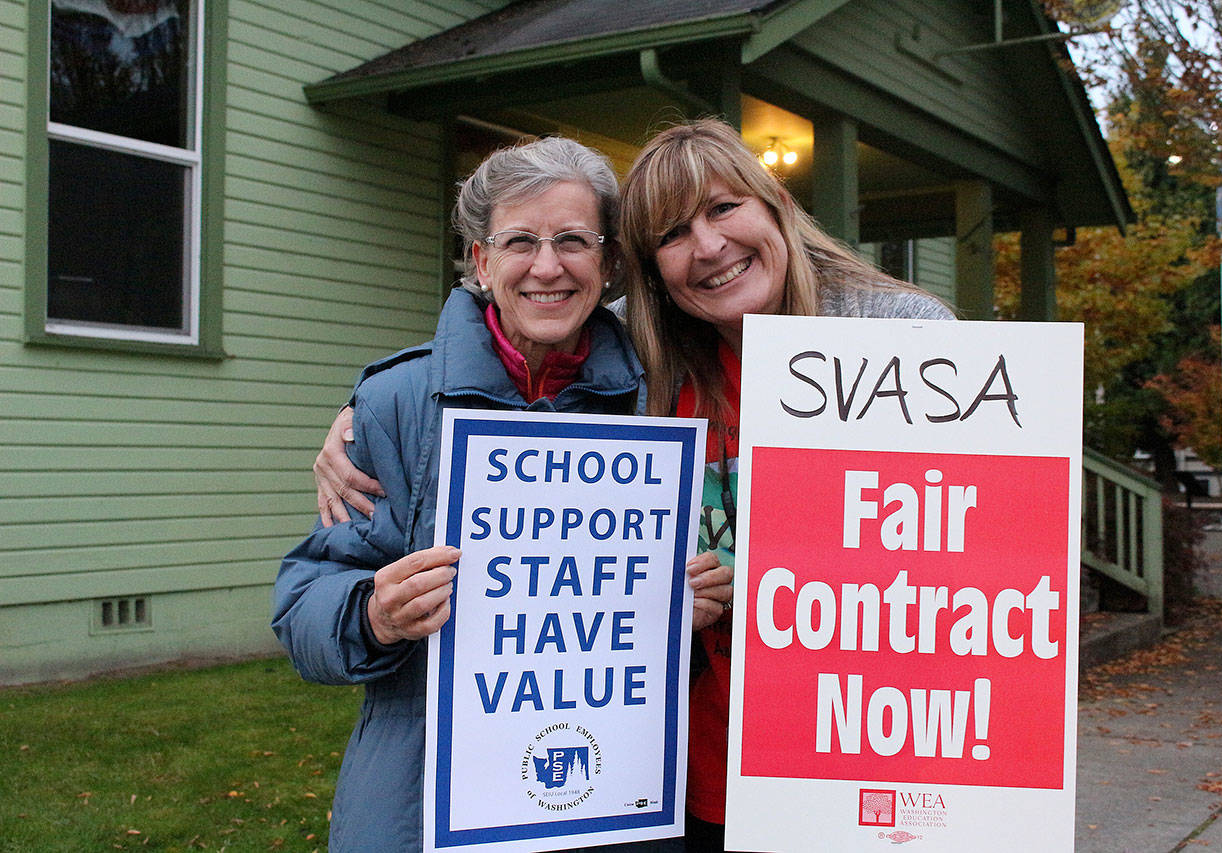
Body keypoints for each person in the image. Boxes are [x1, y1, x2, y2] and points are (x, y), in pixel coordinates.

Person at [274, 135, 731, 853]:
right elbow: (303, 601)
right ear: (482, 263)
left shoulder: (662, 397)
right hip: (423, 804)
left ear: (608, 263)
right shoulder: (399, 401)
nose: (547, 266)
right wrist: (372, 613)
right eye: (520, 240)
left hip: (609, 802)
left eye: (574, 240)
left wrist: (692, 600)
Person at [616, 119, 954, 853]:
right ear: (653, 273)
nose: (707, 246)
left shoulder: (906, 336)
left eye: (724, 207)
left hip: (863, 765)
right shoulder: (639, 363)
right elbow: (521, 330)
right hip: (703, 778)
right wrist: (371, 405)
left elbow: (969, 552)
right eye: (672, 234)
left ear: (776, 205)